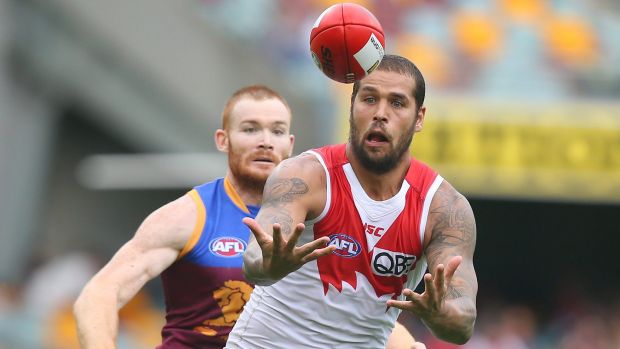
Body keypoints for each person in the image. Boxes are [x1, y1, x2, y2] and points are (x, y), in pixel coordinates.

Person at [73, 85, 421, 349]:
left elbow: (361, 317)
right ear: (223, 140)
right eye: (251, 129)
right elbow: (100, 293)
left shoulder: (322, 222)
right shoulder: (189, 216)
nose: (266, 142)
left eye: (277, 131)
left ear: (291, 145)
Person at [226, 55, 478, 348]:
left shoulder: (444, 208)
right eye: (369, 99)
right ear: (352, 106)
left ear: (419, 117)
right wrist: (269, 263)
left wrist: (440, 314)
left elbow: (463, 322)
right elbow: (256, 257)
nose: (380, 113)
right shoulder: (305, 175)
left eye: (397, 103)